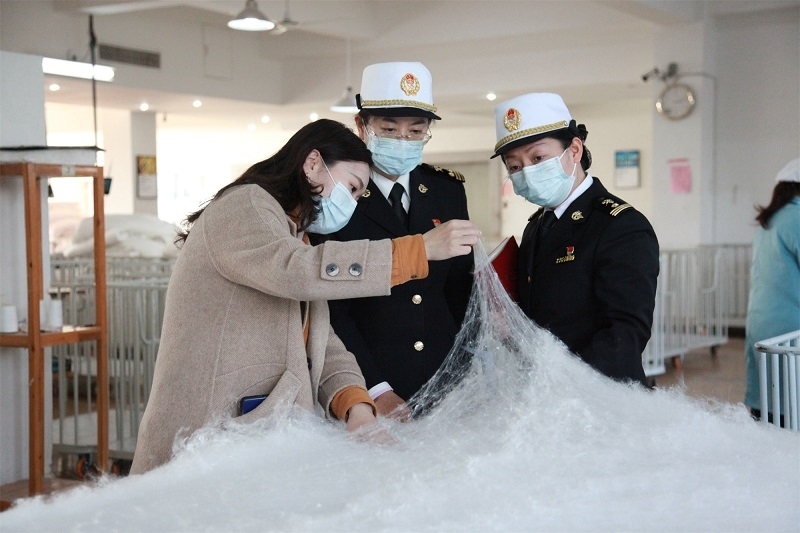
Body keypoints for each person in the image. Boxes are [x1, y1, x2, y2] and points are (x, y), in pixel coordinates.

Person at [130, 119, 480, 473]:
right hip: (205, 434)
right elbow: (296, 270)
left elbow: (323, 343)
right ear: (313, 162)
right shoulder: (245, 204)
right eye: (351, 188)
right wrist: (416, 250)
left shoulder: (295, 234)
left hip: (257, 435)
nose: (352, 205)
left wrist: (357, 406)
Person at [311, 62, 474, 418]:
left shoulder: (446, 191)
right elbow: (332, 308)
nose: (403, 140)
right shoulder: (338, 193)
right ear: (362, 126)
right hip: (370, 381)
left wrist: (465, 370)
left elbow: (459, 291)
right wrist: (373, 389)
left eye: (416, 131)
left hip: (445, 380)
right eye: (388, 129)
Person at [491, 93, 659, 386]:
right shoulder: (536, 226)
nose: (527, 172)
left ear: (575, 150)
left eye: (538, 158)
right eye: (514, 166)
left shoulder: (620, 225)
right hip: (542, 391)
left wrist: (564, 382)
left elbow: (625, 333)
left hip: (599, 393)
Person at [743, 157, 800, 423]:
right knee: (790, 403)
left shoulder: (771, 219)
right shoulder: (797, 218)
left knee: (768, 402)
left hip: (763, 324)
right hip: (791, 326)